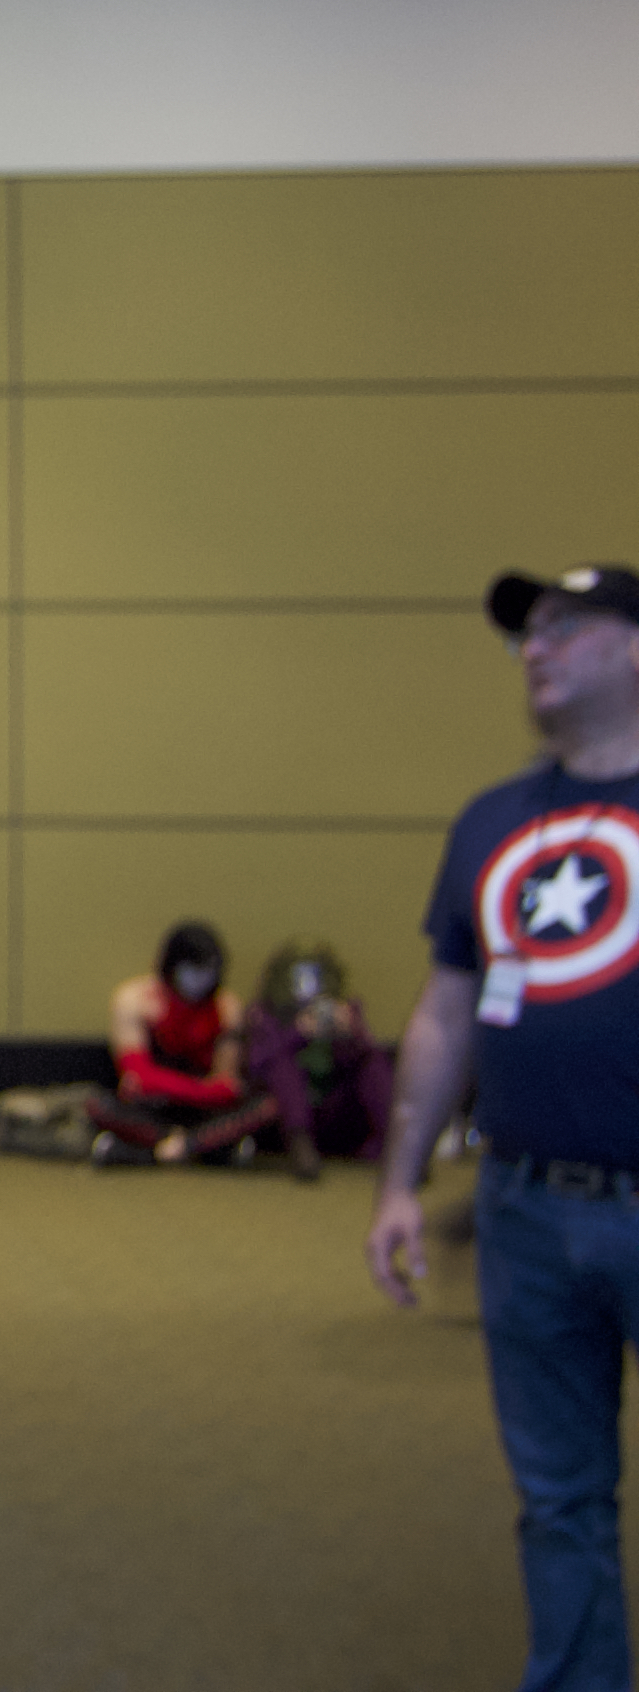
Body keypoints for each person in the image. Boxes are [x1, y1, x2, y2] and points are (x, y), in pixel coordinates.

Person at [370, 562, 639, 1692]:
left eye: (565, 627)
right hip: (522, 1208)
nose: (534, 647)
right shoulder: (490, 820)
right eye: (525, 634)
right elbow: (442, 1013)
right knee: (556, 1496)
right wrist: (397, 1180)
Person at [87, 920, 279, 1167]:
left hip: (201, 1112)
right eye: (191, 970)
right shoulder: (134, 1000)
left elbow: (226, 1085)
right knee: (96, 1105)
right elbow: (138, 1076)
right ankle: (201, 1148)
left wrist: (187, 1089)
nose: (200, 980)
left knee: (267, 1105)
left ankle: (168, 1148)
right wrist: (200, 1088)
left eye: (207, 971)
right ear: (171, 966)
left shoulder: (226, 1008)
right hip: (152, 1109)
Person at [240, 937, 393, 1182]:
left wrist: (349, 1034)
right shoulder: (264, 1014)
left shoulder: (346, 1011)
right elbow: (255, 1064)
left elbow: (368, 1059)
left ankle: (397, 1146)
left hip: (338, 1114)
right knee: (282, 1064)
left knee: (373, 1062)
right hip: (287, 1120)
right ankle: (302, 1149)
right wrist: (297, 1033)